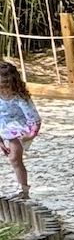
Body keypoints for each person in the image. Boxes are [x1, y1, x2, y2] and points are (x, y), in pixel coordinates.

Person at [0, 61, 41, 201]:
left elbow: (34, 118)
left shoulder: (20, 98)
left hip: (20, 130)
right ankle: (22, 189)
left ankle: (23, 189)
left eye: (5, 87)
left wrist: (31, 134)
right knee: (15, 160)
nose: (3, 90)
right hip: (5, 129)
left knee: (14, 159)